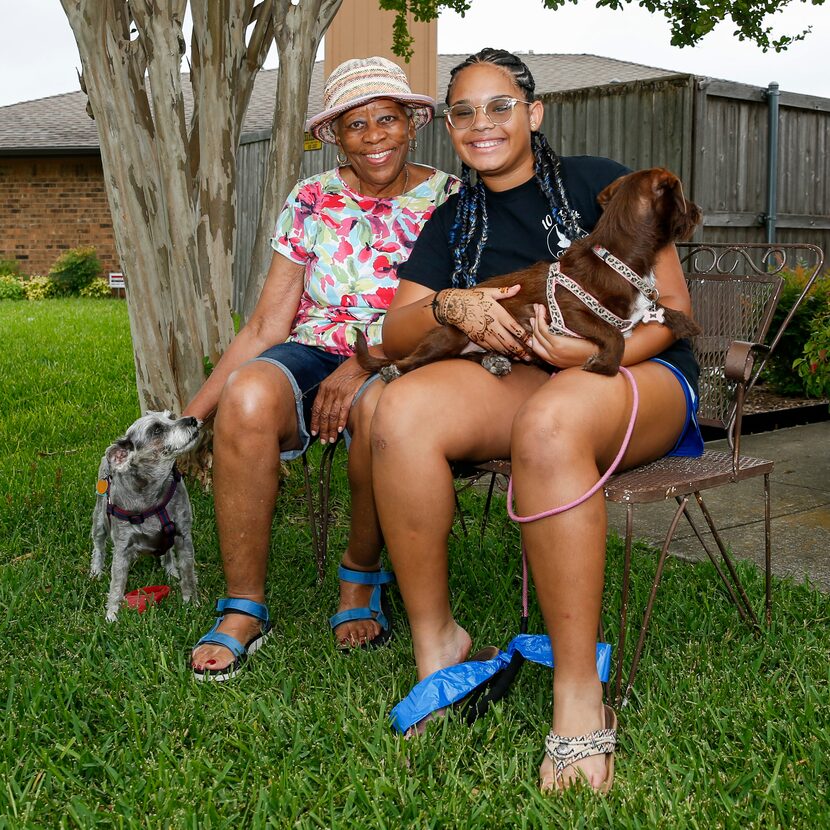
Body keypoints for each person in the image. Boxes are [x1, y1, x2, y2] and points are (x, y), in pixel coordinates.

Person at [369, 48, 703, 792]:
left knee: (552, 422)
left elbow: (675, 312)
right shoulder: (455, 219)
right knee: (403, 409)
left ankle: (579, 694)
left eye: (499, 106)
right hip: (529, 378)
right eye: (463, 111)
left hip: (640, 371)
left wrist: (590, 355)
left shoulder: (599, 183)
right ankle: (440, 649)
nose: (481, 123)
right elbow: (395, 332)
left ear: (534, 113)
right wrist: (452, 303)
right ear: (449, 126)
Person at [187, 56, 459, 680]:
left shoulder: (450, 197)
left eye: (386, 118)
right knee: (249, 394)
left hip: (409, 351)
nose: (374, 136)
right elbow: (265, 326)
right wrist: (190, 417)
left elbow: (453, 313)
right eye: (355, 124)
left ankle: (360, 577)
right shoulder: (311, 198)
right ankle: (243, 606)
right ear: (334, 135)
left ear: (412, 122)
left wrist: (368, 363)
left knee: (374, 405)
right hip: (316, 344)